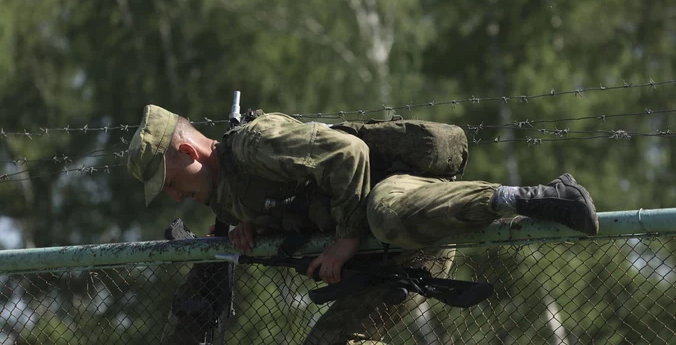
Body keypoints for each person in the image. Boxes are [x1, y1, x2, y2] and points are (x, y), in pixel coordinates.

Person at [126, 105, 598, 344]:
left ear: (189, 152)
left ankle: (535, 198)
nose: (171, 196)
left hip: (401, 206)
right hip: (388, 263)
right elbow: (293, 208)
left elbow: (349, 154)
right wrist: (248, 231)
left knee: (382, 212)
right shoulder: (227, 202)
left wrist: (346, 239)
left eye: (168, 181)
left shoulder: (251, 144)